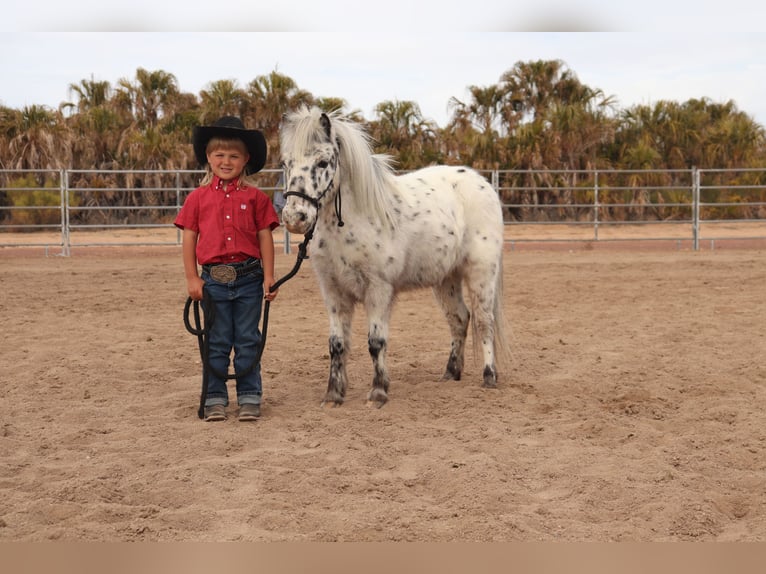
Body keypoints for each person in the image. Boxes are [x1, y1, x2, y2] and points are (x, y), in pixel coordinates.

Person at [175, 116, 280, 422]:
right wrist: (192, 277)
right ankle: (215, 398)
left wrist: (269, 277)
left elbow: (264, 237)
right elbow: (189, 237)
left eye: (234, 156)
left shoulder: (256, 198)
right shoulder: (197, 199)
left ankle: (249, 396)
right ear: (208, 157)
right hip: (213, 281)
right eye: (219, 155)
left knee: (248, 339)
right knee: (217, 340)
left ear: (246, 159)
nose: (226, 161)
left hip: (249, 279)